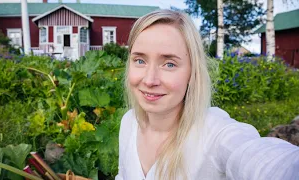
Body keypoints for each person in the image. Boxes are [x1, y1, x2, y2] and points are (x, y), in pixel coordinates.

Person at [115, 9, 299, 180]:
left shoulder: (214, 134)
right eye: (140, 60)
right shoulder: (129, 122)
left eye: (169, 64)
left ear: (192, 72)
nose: (149, 80)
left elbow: (263, 160)